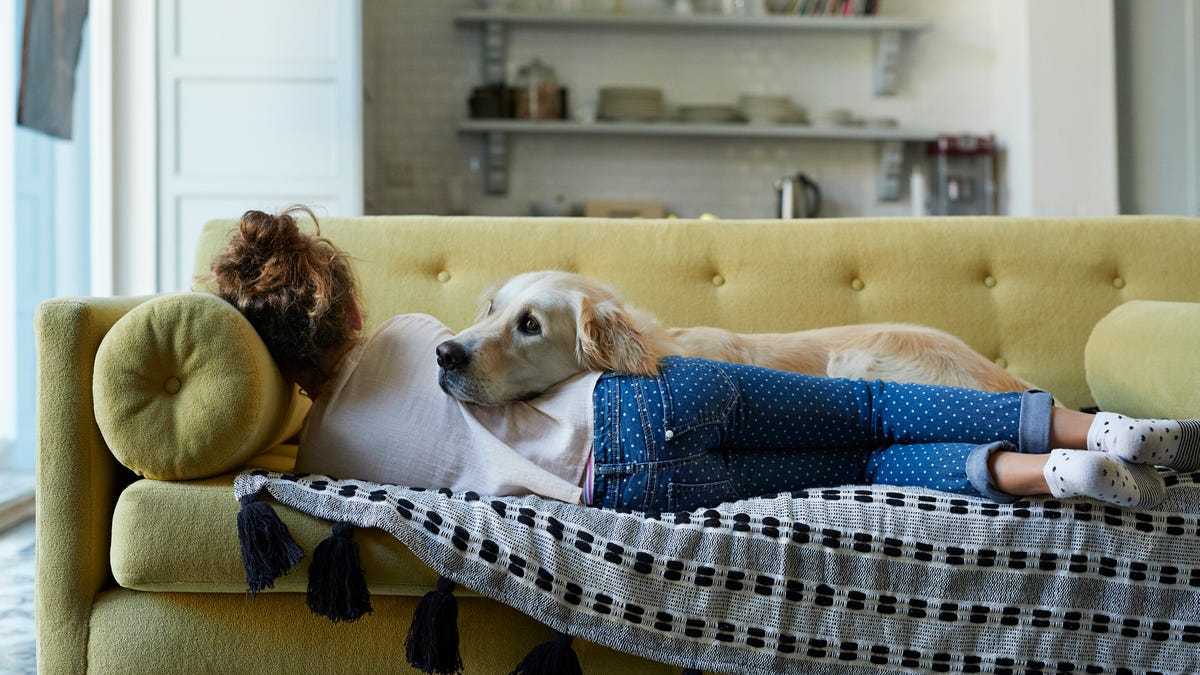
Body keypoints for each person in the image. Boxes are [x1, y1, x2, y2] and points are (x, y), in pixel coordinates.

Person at [210, 207, 1199, 514]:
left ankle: (1050, 476)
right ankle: (1089, 430)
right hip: (660, 399)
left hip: (634, 495)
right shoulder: (416, 337)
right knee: (869, 412)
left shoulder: (322, 461)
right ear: (347, 303)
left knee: (866, 467)